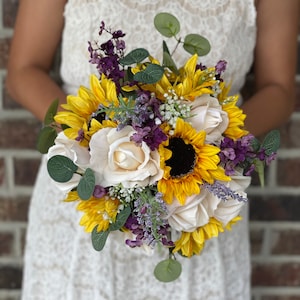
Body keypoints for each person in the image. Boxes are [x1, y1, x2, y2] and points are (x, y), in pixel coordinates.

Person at [6, 1, 298, 299]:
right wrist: (95, 137)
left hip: (203, 196)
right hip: (84, 192)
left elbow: (279, 89)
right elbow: (24, 70)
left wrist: (212, 143)